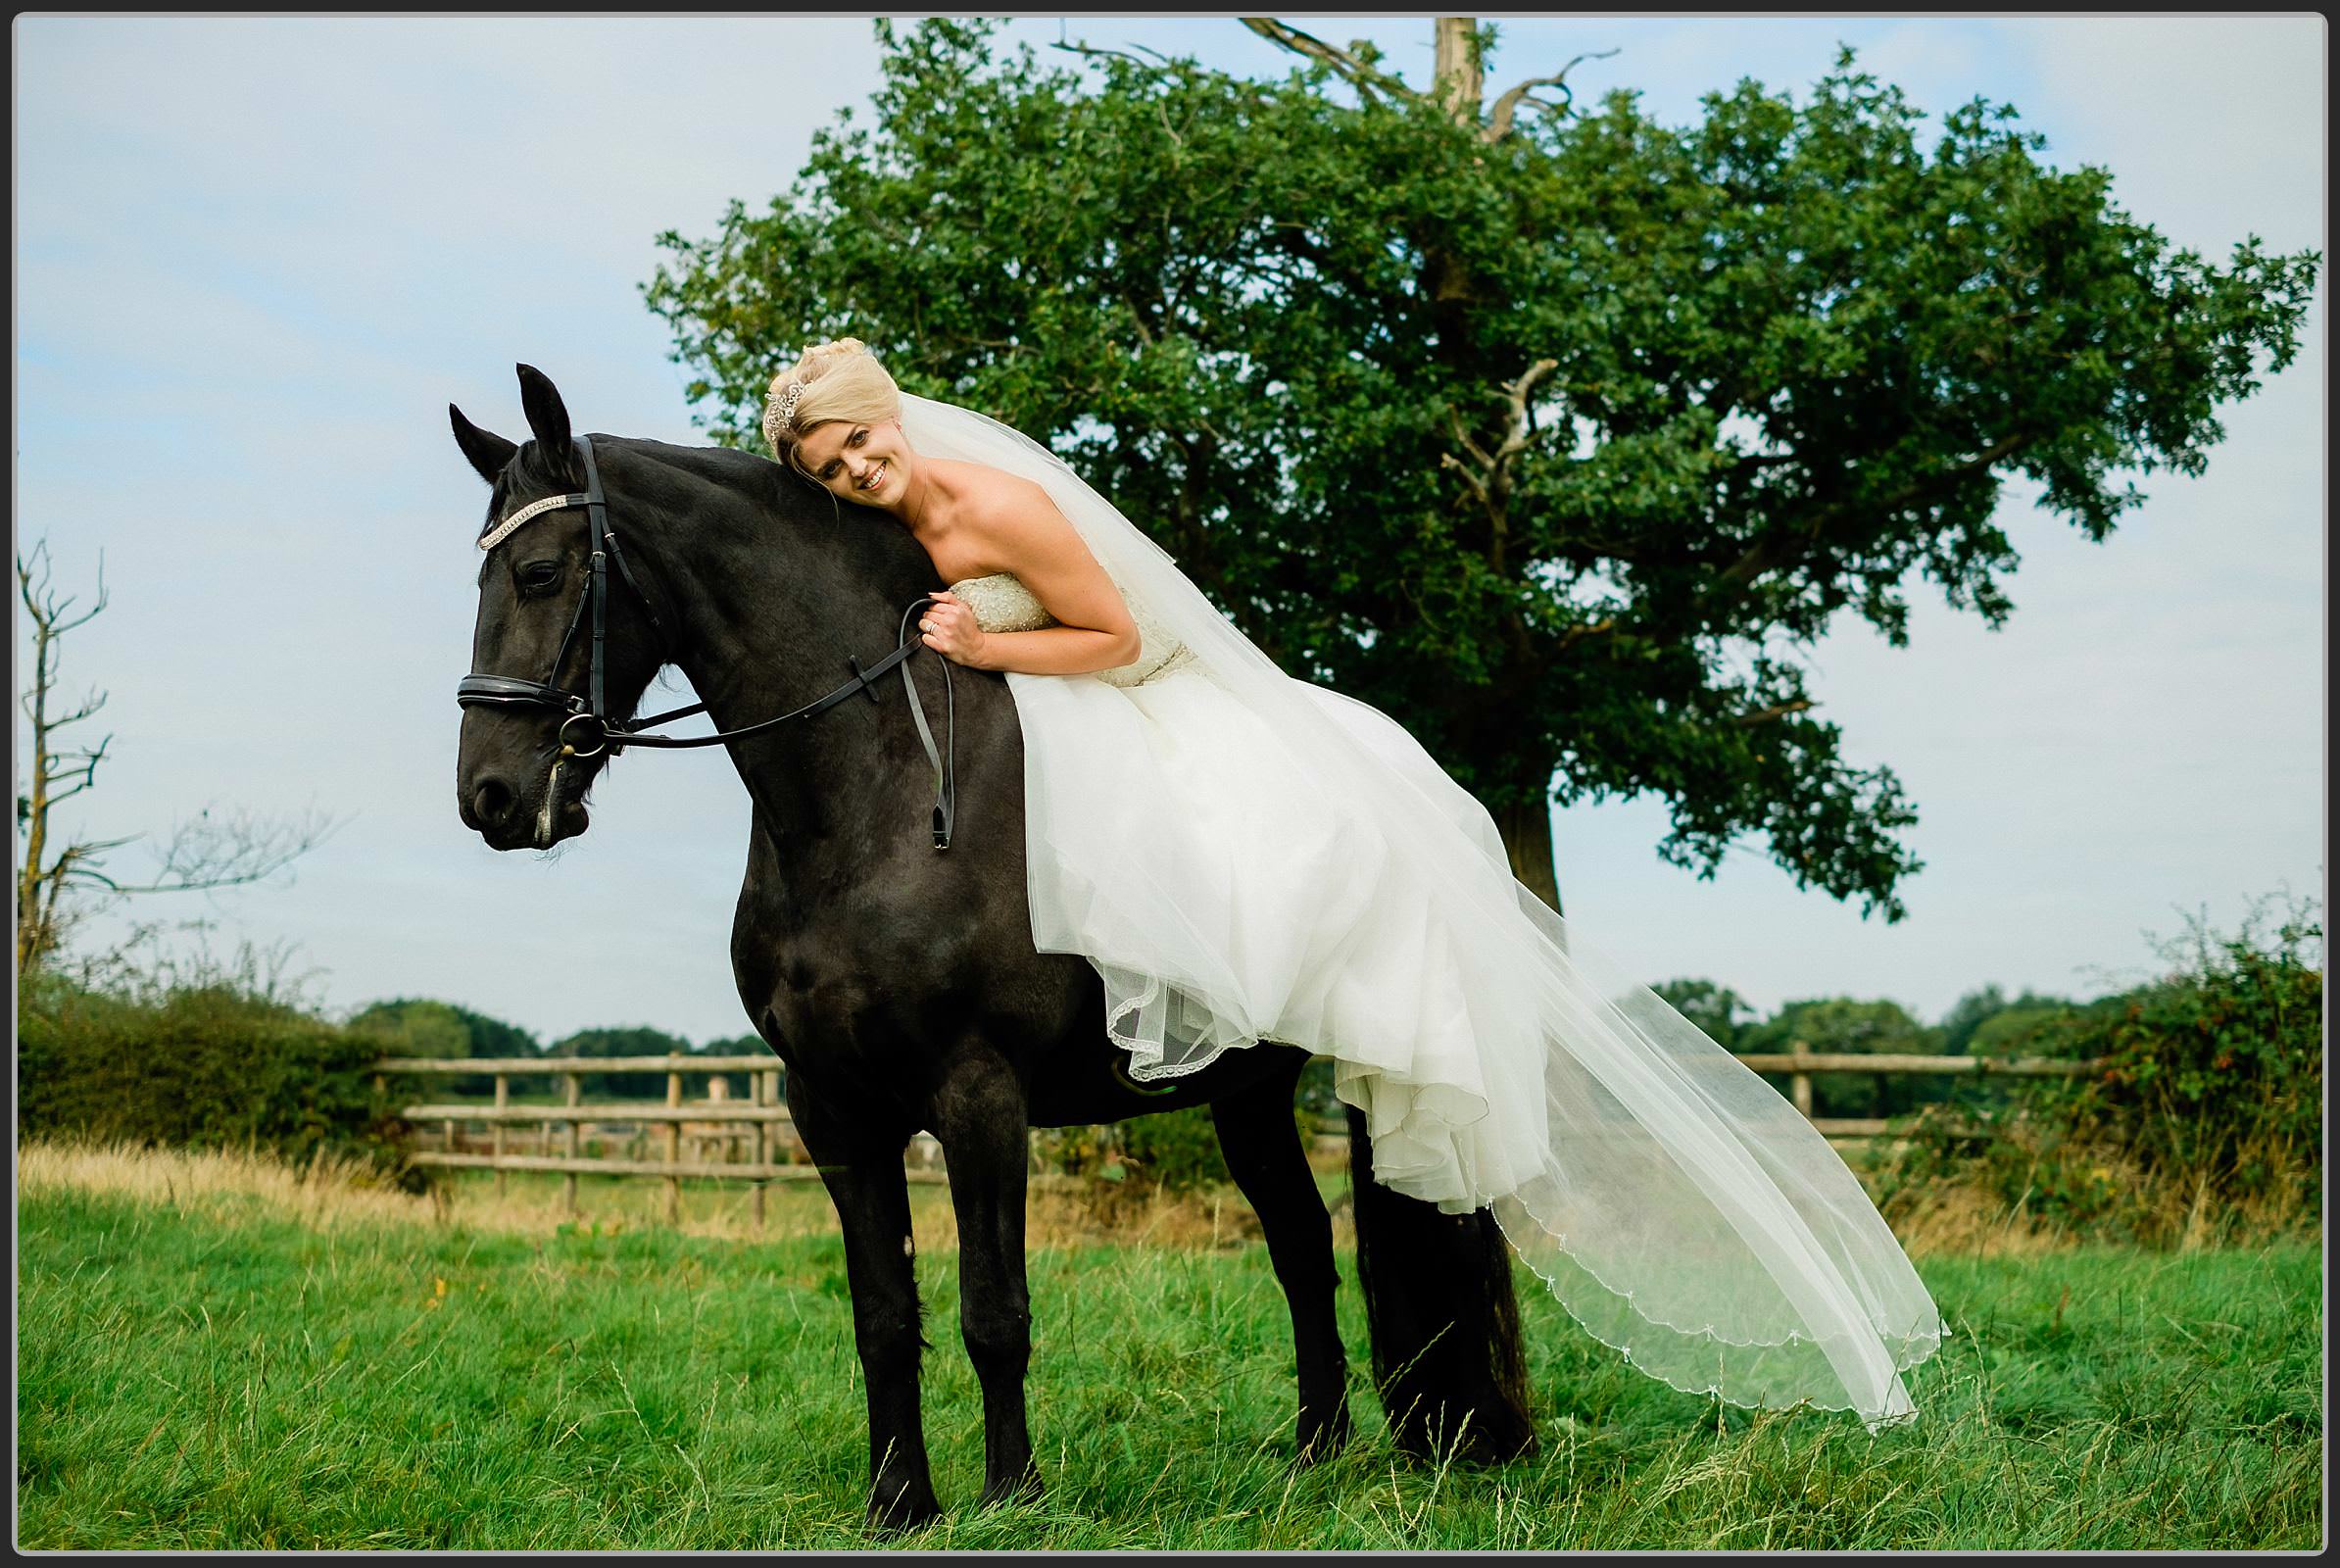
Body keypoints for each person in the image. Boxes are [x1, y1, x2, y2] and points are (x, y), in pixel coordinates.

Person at [763, 337, 1947, 1432]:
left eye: (863, 440)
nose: (859, 467)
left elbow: (1118, 634)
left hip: (1125, 690)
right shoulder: (871, 532)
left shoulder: (996, 501)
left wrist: (989, 646)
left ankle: (1219, 1002)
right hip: (1034, 709)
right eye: (833, 465)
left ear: (893, 417)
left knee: (1207, 861)